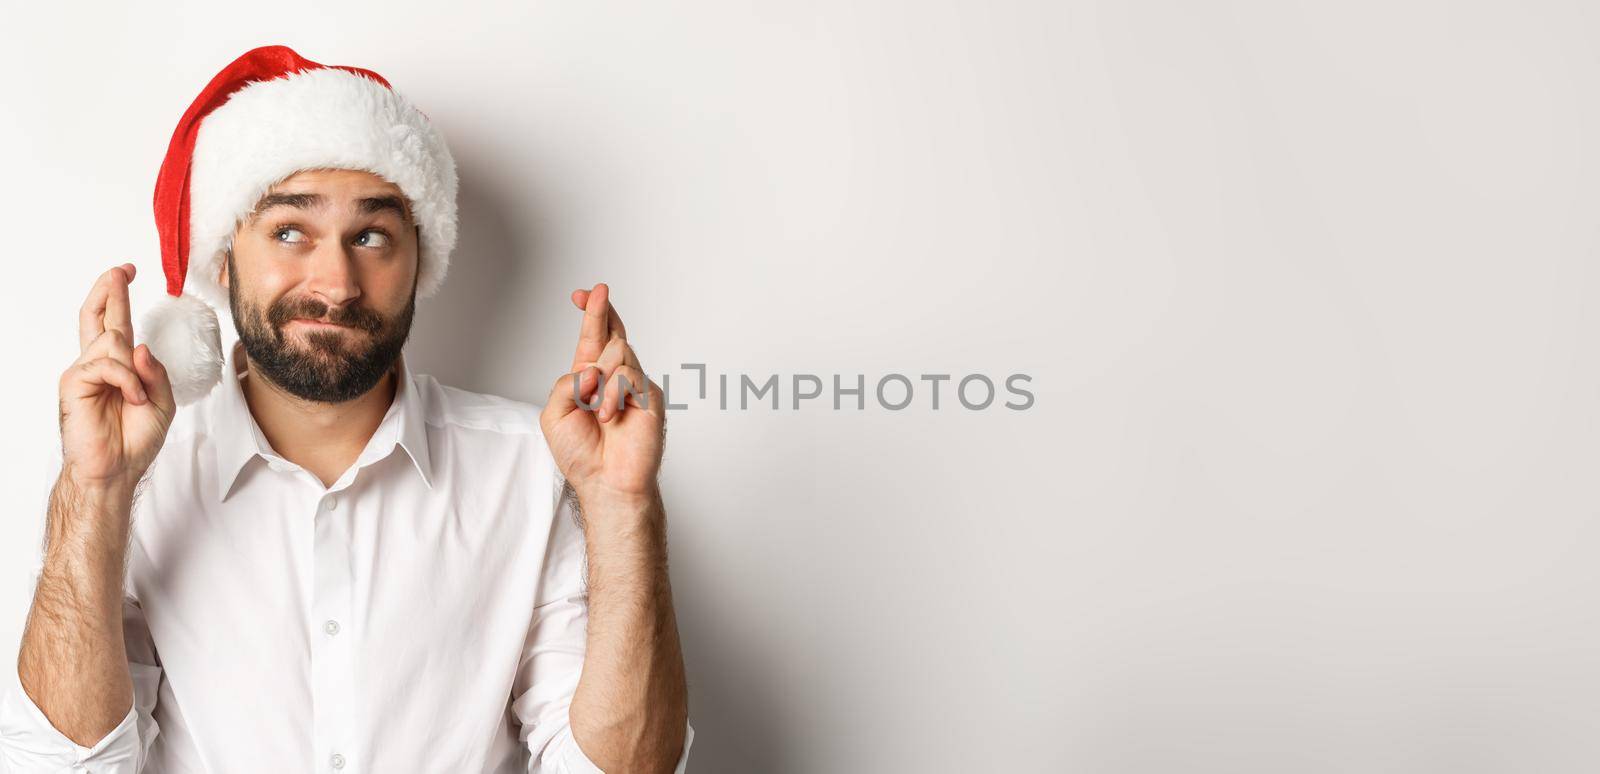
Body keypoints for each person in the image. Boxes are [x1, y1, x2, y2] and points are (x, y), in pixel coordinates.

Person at [0, 46, 692, 773]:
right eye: (289, 231)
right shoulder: (134, 472)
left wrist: (622, 507)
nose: (335, 283)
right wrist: (97, 491)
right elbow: (56, 767)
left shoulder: (537, 467)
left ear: (419, 262)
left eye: (370, 236)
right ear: (225, 258)